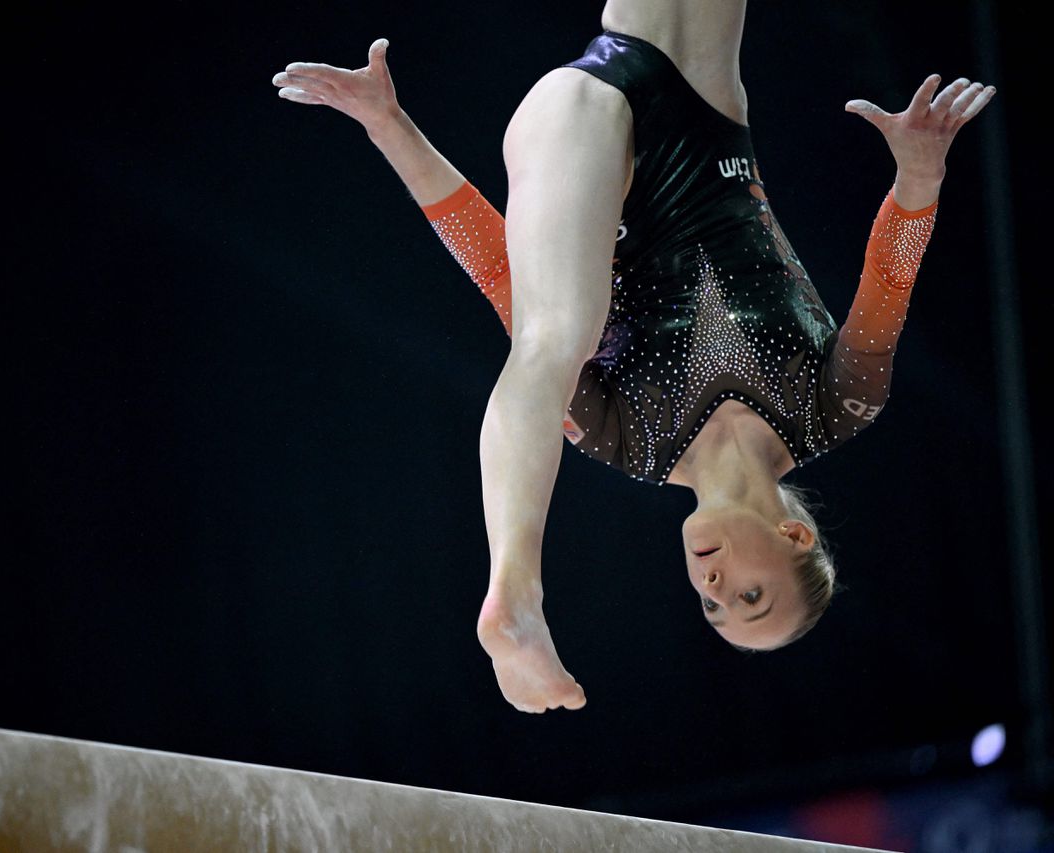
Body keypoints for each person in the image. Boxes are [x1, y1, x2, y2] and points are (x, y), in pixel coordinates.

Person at [272, 1, 995, 714]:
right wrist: (921, 175)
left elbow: (500, 271)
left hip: (585, 134)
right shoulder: (839, 405)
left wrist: (390, 130)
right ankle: (516, 599)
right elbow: (891, 278)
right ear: (794, 535)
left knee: (551, 331)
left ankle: (515, 588)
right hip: (704, 101)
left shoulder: (625, 440)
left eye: (714, 610)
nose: (713, 590)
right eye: (750, 594)